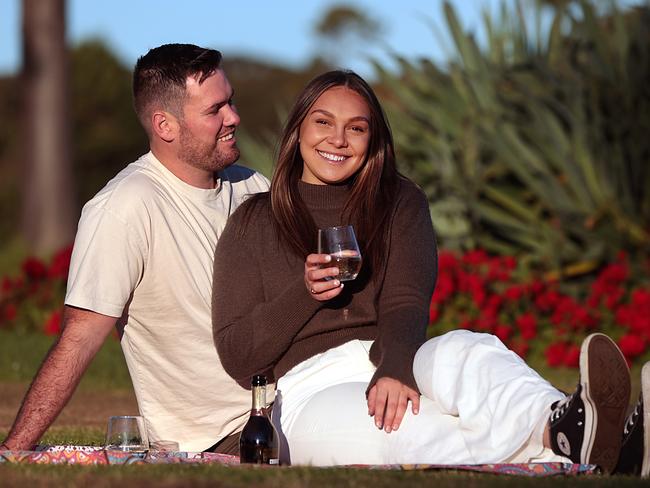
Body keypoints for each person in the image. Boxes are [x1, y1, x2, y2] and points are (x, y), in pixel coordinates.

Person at [211, 69, 648, 474]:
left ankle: (566, 426)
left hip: (394, 354)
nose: (339, 139)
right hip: (307, 388)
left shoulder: (400, 201)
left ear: (372, 139)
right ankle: (596, 450)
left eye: (357, 128)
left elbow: (406, 300)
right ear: (299, 130)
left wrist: (396, 366)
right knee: (405, 434)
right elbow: (238, 354)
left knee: (470, 352)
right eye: (323, 122)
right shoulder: (255, 221)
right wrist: (305, 293)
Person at [0, 44, 269, 453]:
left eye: (230, 101)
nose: (233, 117)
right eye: (215, 109)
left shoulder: (255, 187)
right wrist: (13, 450)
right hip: (222, 437)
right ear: (165, 126)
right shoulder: (125, 208)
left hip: (294, 403)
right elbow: (81, 337)